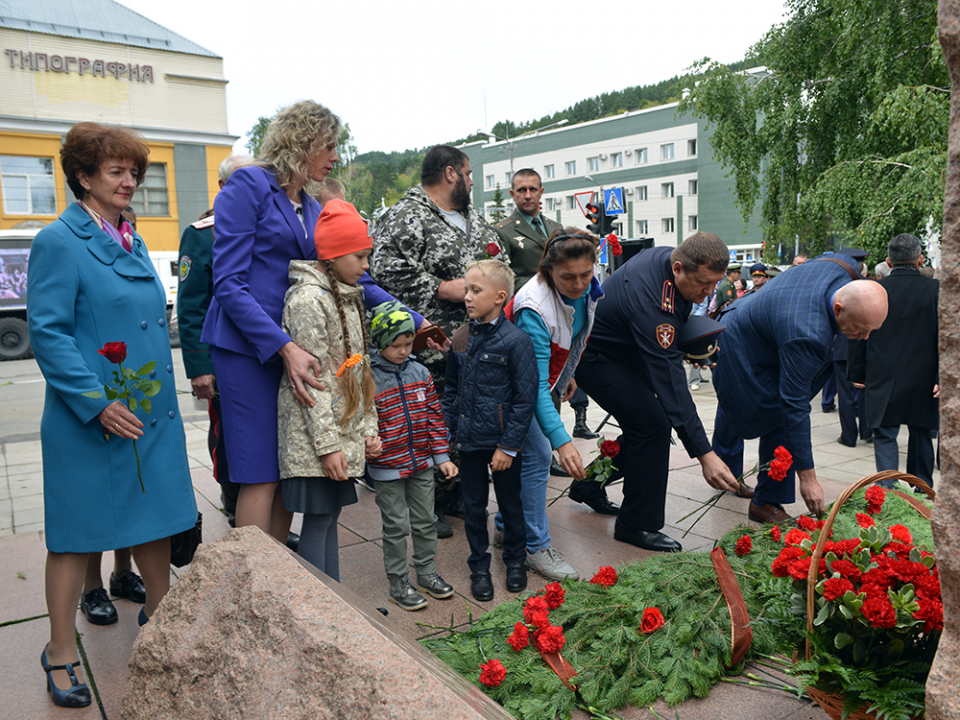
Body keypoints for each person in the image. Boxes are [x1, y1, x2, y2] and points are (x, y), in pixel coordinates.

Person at [27, 122, 197, 708]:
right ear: (84, 176)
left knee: (155, 517)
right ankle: (58, 649)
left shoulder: (133, 237)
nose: (130, 183)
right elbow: (48, 335)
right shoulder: (60, 240)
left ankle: (162, 618)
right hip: (91, 417)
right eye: (116, 172)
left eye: (135, 173)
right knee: (76, 536)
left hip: (145, 411)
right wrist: (97, 404)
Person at [201, 101, 338, 543]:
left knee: (286, 465)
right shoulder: (248, 184)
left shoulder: (312, 205)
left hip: (289, 349)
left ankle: (276, 581)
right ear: (304, 142)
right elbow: (228, 283)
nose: (335, 157)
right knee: (259, 468)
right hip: (246, 347)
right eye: (329, 146)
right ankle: (250, 587)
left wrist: (411, 316)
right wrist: (285, 346)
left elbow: (347, 272)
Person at [576, 232, 741, 553]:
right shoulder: (653, 303)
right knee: (653, 426)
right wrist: (705, 454)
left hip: (628, 352)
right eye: (704, 284)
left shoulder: (670, 261)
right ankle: (636, 524)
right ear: (678, 268)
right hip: (596, 359)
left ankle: (588, 484)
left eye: (715, 284)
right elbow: (673, 383)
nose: (709, 293)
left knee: (646, 426)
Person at [372, 145, 505, 534]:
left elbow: (500, 264)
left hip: (476, 344)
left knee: (465, 421)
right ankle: (426, 505)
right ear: (450, 173)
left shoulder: (474, 219)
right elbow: (383, 272)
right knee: (428, 422)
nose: (473, 180)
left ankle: (457, 496)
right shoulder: (405, 216)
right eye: (468, 172)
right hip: (427, 349)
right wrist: (440, 288)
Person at [711, 254, 889, 523]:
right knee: (776, 415)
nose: (864, 337)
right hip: (741, 345)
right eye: (861, 329)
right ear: (838, 309)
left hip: (765, 320)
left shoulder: (843, 265)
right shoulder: (807, 331)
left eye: (872, 331)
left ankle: (762, 495)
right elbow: (795, 405)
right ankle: (766, 501)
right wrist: (808, 479)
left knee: (772, 414)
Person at [500, 228, 616, 580]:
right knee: (538, 456)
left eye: (585, 274)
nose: (579, 284)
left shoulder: (587, 289)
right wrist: (562, 441)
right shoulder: (533, 307)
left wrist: (566, 376)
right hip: (508, 386)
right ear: (548, 270)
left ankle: (506, 526)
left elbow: (573, 336)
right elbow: (530, 386)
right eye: (568, 277)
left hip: (537, 380)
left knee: (529, 456)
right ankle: (536, 547)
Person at [277, 199, 382, 580]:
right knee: (318, 522)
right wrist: (329, 447)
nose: (366, 266)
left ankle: (340, 603)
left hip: (340, 432)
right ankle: (319, 611)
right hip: (317, 440)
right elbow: (314, 383)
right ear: (335, 255)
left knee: (329, 519)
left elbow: (358, 368)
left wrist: (368, 429)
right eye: (361, 256)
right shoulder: (308, 300)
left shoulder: (346, 295)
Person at [444, 260, 536, 601]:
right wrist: (448, 435)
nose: (467, 296)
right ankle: (479, 567)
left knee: (511, 504)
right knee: (473, 506)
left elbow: (524, 399)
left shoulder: (517, 341)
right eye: (466, 289)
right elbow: (451, 390)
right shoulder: (462, 336)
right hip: (469, 441)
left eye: (475, 290)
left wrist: (509, 447)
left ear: (499, 297)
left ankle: (515, 561)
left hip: (502, 444)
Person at [177, 154, 254, 530]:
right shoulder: (202, 233)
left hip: (261, 353)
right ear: (223, 188)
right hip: (222, 356)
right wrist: (200, 368)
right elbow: (191, 306)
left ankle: (263, 509)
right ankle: (234, 500)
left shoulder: (263, 224)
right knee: (227, 432)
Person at [367, 300, 457, 610]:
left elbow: (434, 416)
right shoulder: (368, 377)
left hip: (421, 461)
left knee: (425, 520)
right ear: (379, 343)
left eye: (408, 343)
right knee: (395, 525)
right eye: (396, 345)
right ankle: (398, 581)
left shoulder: (420, 371)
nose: (404, 350)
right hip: (387, 465)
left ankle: (427, 573)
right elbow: (361, 417)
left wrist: (442, 455)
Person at [497, 169, 598, 444]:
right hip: (528, 316)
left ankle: (549, 447)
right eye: (521, 190)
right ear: (513, 194)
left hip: (561, 315)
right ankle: (540, 448)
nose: (528, 195)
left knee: (551, 390)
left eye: (533, 189)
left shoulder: (556, 228)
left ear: (542, 191)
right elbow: (499, 277)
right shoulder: (502, 231)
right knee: (529, 392)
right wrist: (542, 286)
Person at [848, 234, 939, 488]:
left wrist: (857, 371)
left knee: (885, 434)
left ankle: (887, 493)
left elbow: (855, 331)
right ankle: (921, 492)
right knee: (921, 433)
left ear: (888, 262)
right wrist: (943, 376)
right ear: (920, 259)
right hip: (925, 377)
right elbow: (950, 337)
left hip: (882, 374)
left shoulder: (874, 290)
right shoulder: (936, 290)